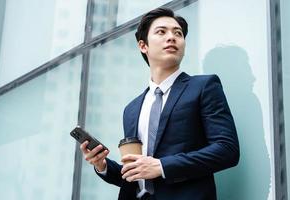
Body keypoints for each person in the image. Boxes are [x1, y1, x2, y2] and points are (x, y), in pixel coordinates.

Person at [80, 7, 240, 200]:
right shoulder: (131, 109)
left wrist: (162, 166)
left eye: (178, 33)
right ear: (143, 46)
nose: (172, 37)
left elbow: (227, 149)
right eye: (161, 32)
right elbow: (136, 174)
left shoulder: (203, 87)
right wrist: (103, 166)